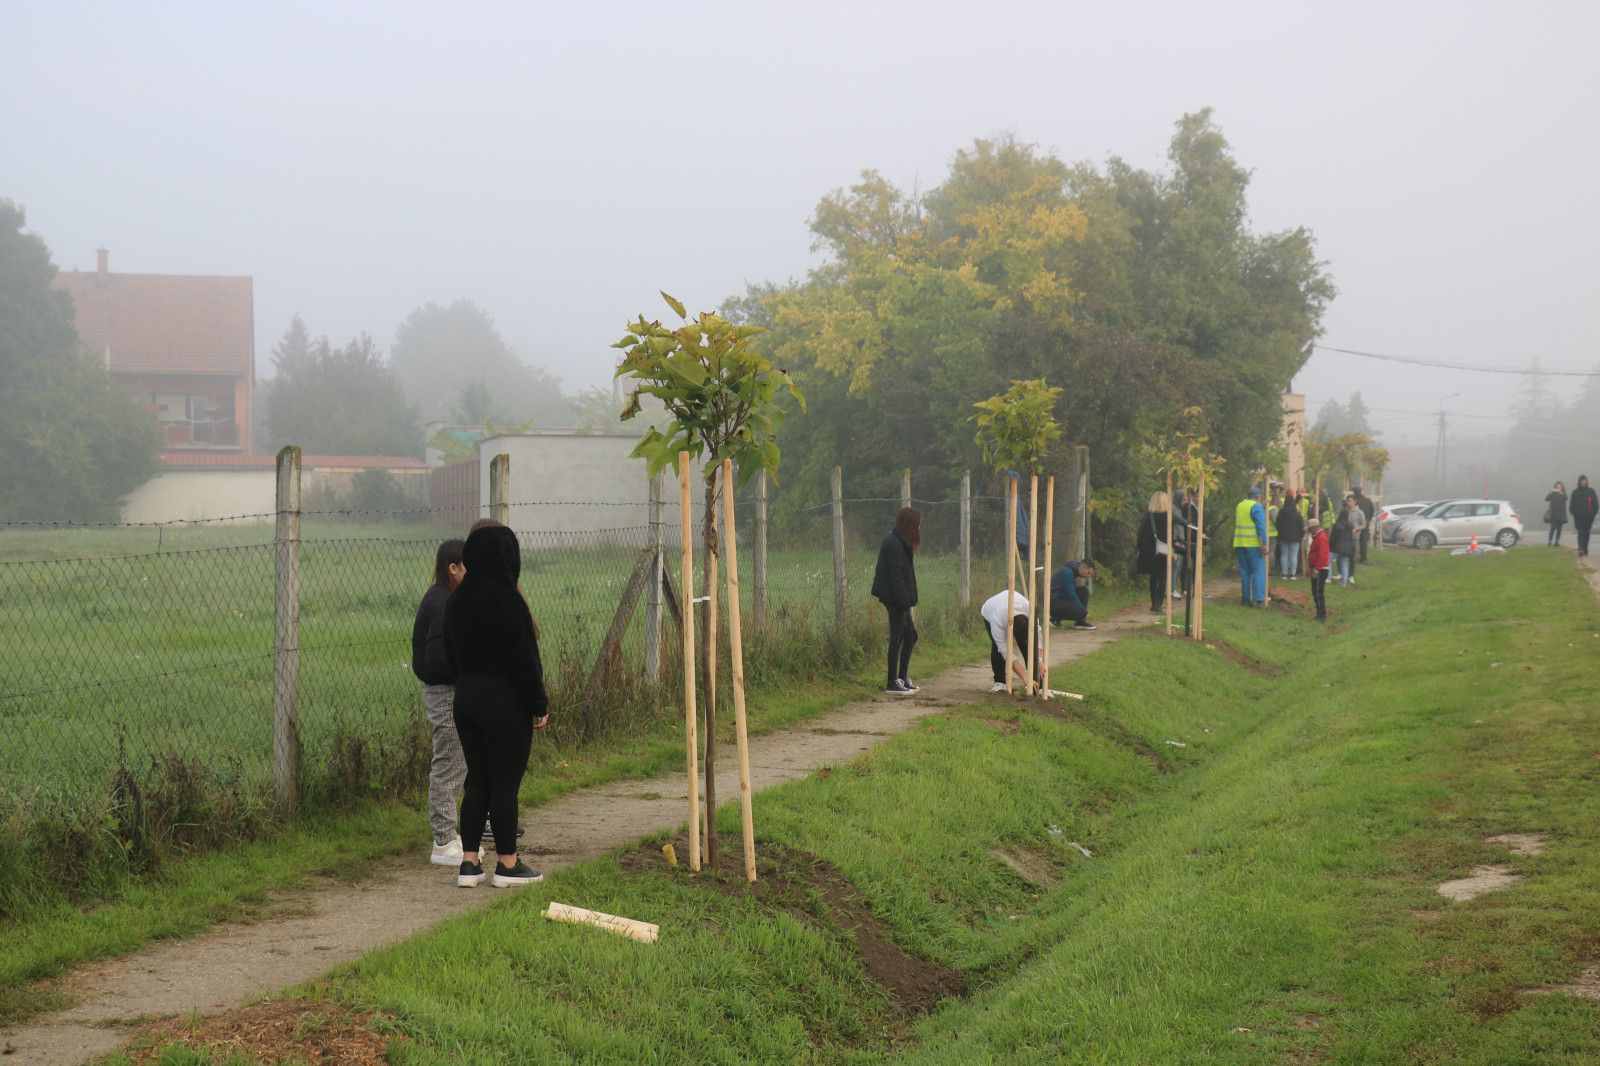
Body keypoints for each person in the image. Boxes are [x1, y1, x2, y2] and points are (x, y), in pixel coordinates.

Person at [443, 524, 549, 888]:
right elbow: (525, 661)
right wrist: (538, 703)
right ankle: (507, 864)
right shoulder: (510, 601)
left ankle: (469, 863)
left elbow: (449, 651)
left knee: (477, 781)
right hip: (505, 702)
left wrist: (468, 682)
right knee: (505, 783)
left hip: (466, 699)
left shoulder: (456, 599)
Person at [412, 539, 468, 867]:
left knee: (458, 761)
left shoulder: (446, 598)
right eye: (468, 566)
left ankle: (450, 833)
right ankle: (443, 841)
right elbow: (437, 659)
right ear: (453, 568)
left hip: (451, 689)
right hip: (444, 692)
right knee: (448, 760)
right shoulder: (443, 604)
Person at [871, 507, 920, 695]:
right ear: (909, 525)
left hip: (900, 598)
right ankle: (892, 681)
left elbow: (904, 576)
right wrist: (904, 603)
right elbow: (895, 577)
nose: (919, 529)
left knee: (910, 636)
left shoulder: (902, 543)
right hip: (894, 598)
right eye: (917, 525)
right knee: (898, 636)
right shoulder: (894, 544)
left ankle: (902, 677)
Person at [979, 588, 1035, 693]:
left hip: (1009, 606)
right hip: (991, 609)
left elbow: (1038, 635)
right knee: (997, 647)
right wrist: (1024, 677)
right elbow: (1004, 650)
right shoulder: (997, 620)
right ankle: (1000, 683)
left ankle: (1036, 683)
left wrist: (1039, 661)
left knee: (1027, 645)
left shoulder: (1029, 611)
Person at [1136, 491, 1175, 613]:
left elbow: (1141, 533)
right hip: (1163, 550)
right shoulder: (1169, 516)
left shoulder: (1149, 515)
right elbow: (1172, 534)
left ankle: (1153, 603)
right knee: (1163, 577)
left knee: (1153, 577)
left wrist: (1139, 548)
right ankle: (1159, 604)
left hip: (1150, 551)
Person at [1233, 486, 1268, 607]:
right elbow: (1261, 526)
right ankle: (1258, 599)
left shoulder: (1240, 505)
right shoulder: (1256, 506)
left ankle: (1245, 599)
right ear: (1257, 497)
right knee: (1257, 571)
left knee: (1245, 572)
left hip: (1240, 542)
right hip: (1253, 544)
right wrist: (1264, 544)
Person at [1049, 559, 1097, 629]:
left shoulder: (1075, 567)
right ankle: (1054, 619)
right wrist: (1083, 612)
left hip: (1062, 597)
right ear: (1083, 568)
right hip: (1054, 603)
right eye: (1088, 573)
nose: (1088, 576)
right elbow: (1071, 595)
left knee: (1084, 591)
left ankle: (1080, 622)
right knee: (1082, 612)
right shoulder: (1067, 573)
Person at [1275, 489, 1305, 580]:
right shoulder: (1297, 513)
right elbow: (1301, 525)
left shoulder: (1281, 512)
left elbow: (1277, 523)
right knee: (1293, 555)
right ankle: (1292, 574)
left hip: (1283, 537)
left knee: (1284, 554)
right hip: (1295, 537)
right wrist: (1302, 535)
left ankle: (1284, 574)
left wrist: (1280, 532)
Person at [1306, 518, 1330, 621]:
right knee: (1316, 592)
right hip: (1317, 568)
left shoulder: (1321, 538)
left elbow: (1323, 555)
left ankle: (1322, 615)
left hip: (1320, 569)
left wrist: (1316, 569)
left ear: (1315, 527)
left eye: (1310, 529)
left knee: (1318, 592)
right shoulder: (1318, 537)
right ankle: (1319, 613)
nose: (1309, 531)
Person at [1569, 476, 1598, 557]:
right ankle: (1581, 548)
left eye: (1584, 480)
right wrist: (1576, 514)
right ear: (1579, 482)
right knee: (1580, 533)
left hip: (1588, 518)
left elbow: (1595, 505)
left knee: (1586, 533)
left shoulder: (1591, 491)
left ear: (1586, 481)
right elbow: (1571, 507)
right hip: (1579, 518)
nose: (1583, 482)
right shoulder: (1575, 492)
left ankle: (1585, 548)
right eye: (1581, 481)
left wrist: (1591, 514)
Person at [1329, 508, 1356, 588]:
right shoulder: (1350, 526)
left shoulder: (1337, 525)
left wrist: (1329, 546)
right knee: (1344, 565)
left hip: (1337, 548)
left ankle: (1328, 578)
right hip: (1347, 549)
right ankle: (1344, 583)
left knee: (1327, 561)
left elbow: (1333, 537)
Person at [1352, 487, 1376, 562]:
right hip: (1365, 522)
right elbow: (1372, 510)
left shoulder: (1354, 501)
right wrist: (1368, 519)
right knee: (1363, 540)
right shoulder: (1368, 500)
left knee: (1354, 539)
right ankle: (1363, 558)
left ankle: (1353, 556)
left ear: (1354, 493)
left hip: (1355, 522)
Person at [1546, 481, 1568, 546]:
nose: (1558, 488)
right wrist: (1549, 493)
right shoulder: (1553, 493)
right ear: (1555, 487)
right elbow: (1547, 499)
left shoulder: (1563, 494)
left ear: (1562, 487)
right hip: (1553, 514)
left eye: (1560, 487)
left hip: (1561, 515)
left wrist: (1561, 493)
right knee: (1552, 528)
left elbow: (1566, 498)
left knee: (1559, 529)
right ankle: (1550, 541)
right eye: (1557, 486)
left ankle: (1557, 541)